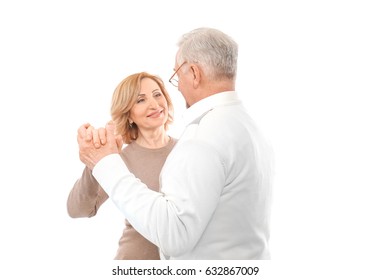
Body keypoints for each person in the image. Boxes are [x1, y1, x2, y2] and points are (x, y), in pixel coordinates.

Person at [78, 27, 274, 259]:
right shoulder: (246, 126)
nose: (178, 85)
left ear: (194, 72)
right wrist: (97, 166)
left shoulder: (202, 139)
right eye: (140, 100)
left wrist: (106, 163)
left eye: (177, 75)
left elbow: (174, 235)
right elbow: (79, 209)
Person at [67, 72, 177, 260]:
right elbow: (78, 210)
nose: (154, 104)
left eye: (157, 95)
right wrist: (97, 161)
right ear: (129, 115)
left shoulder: (189, 150)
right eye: (141, 100)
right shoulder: (120, 160)